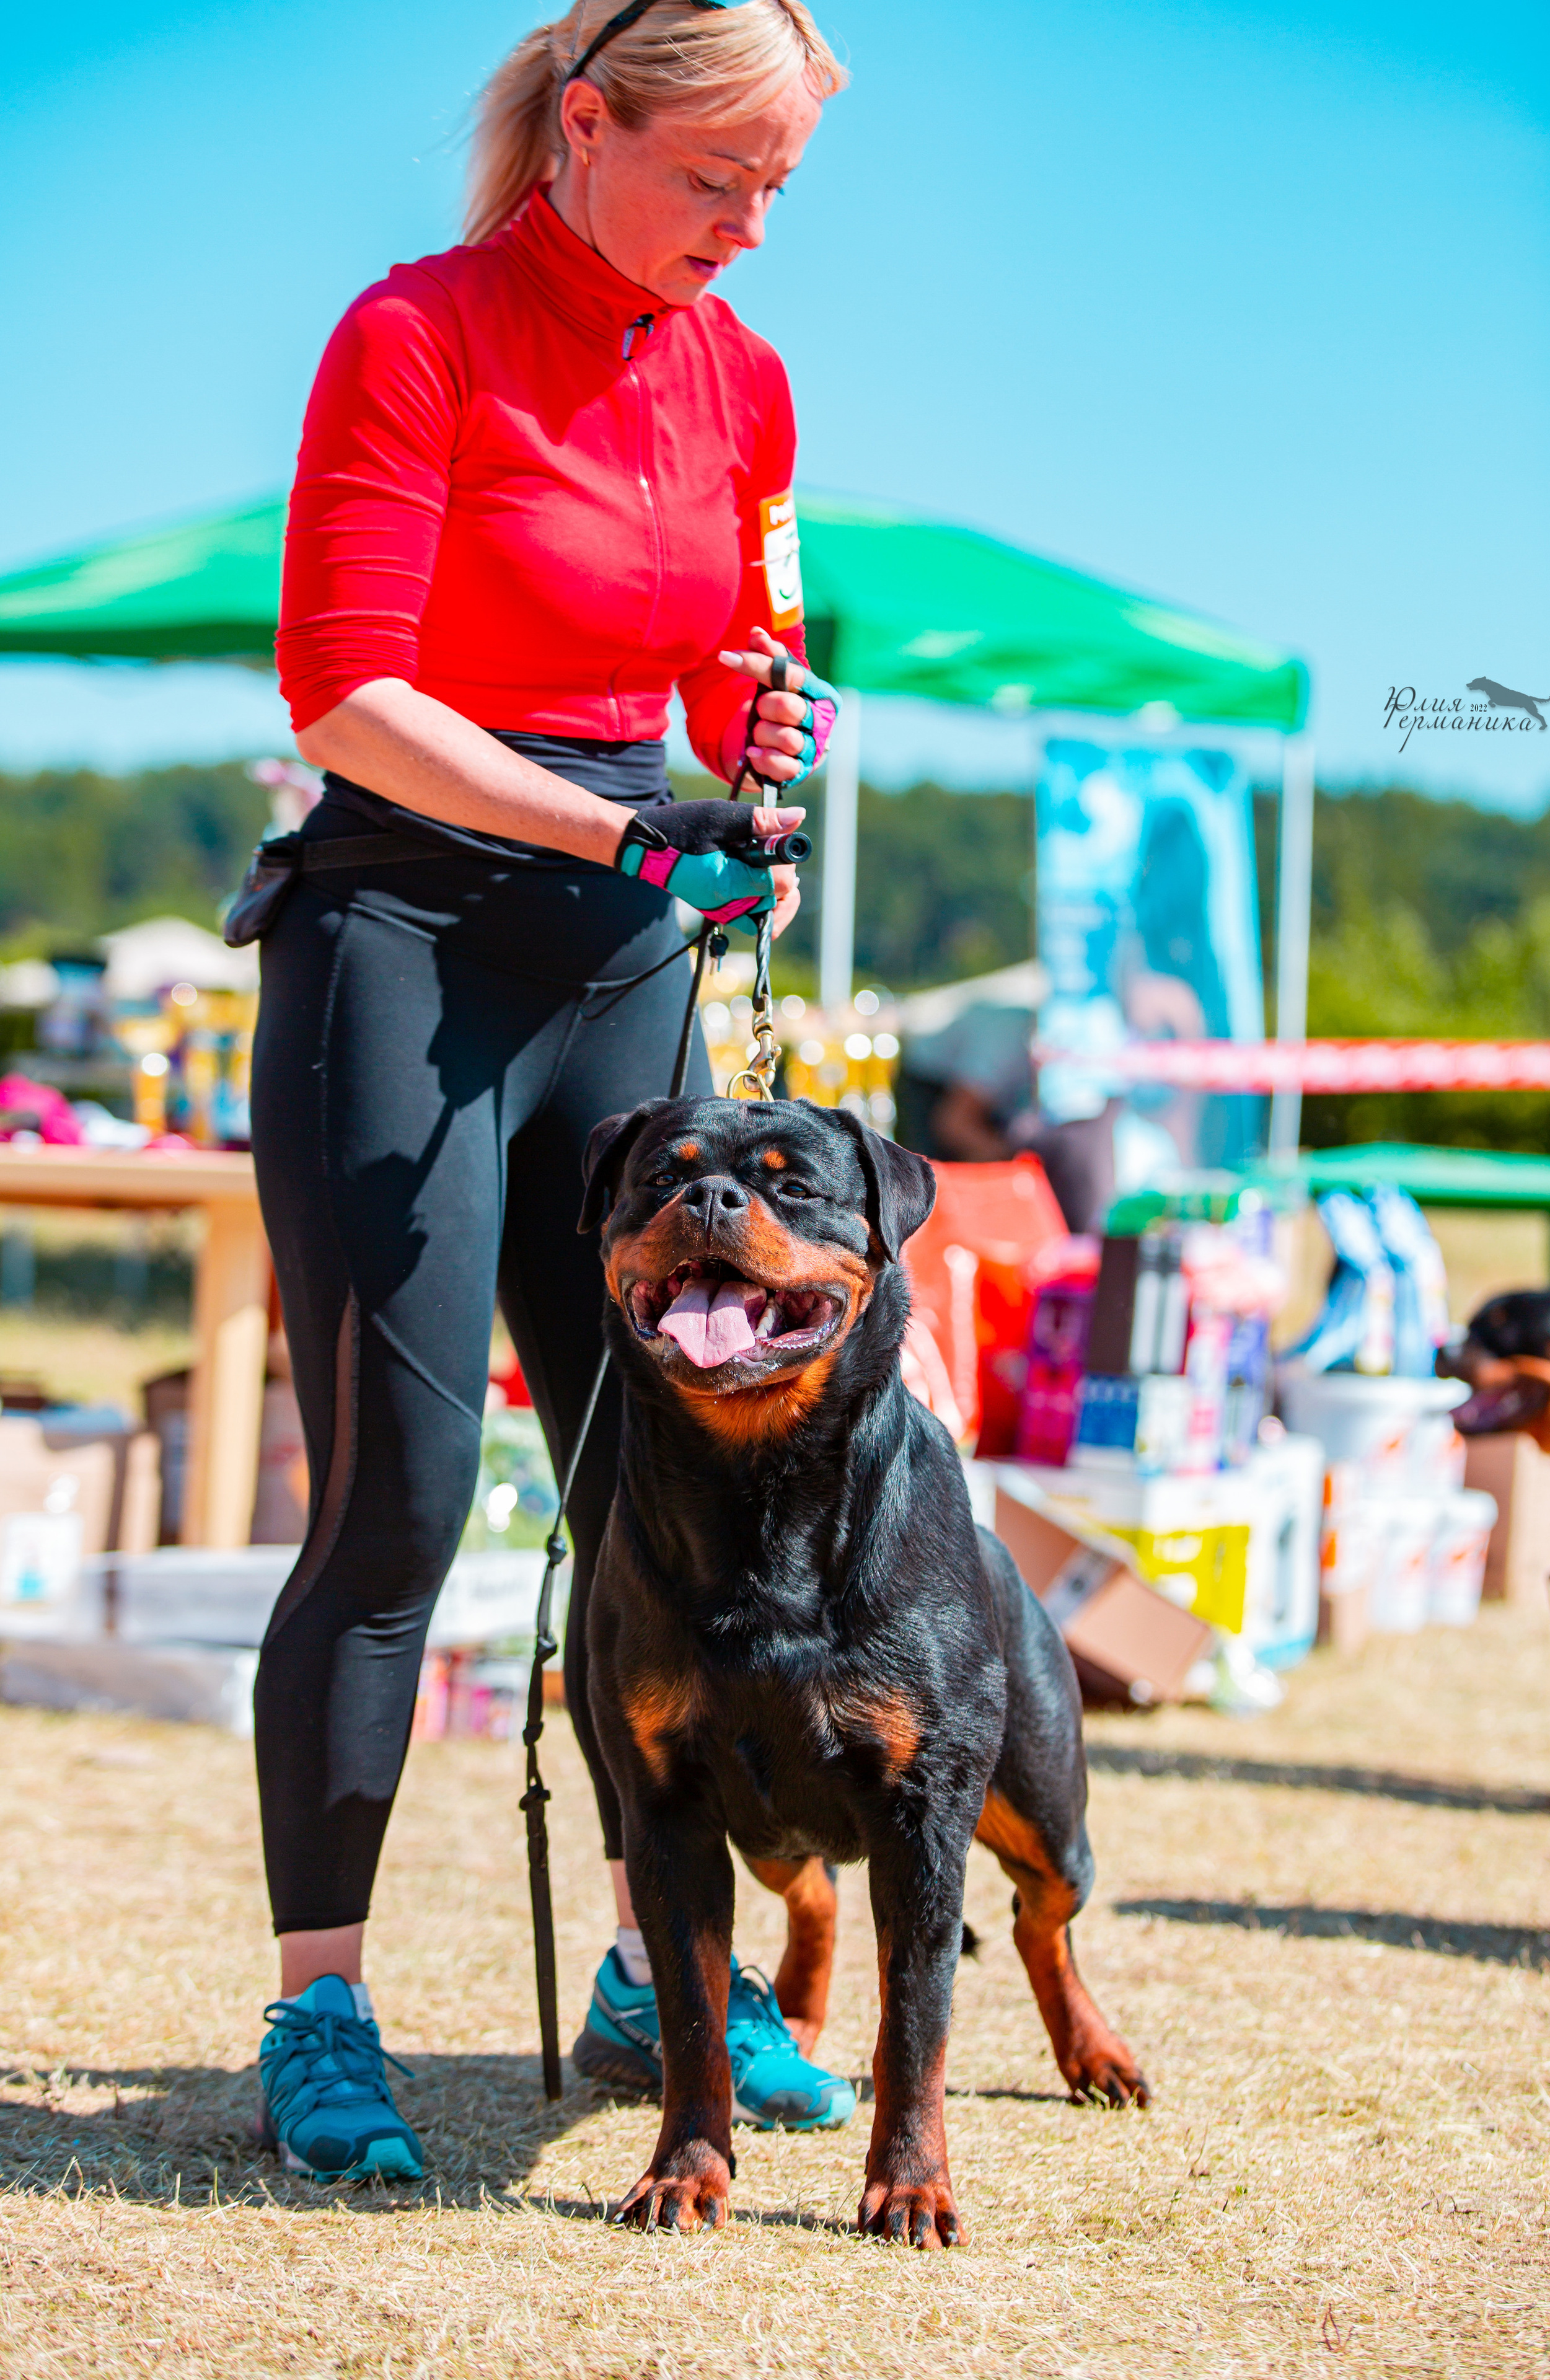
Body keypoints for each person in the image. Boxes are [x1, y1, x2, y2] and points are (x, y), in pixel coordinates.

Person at [250, 0, 852, 2184]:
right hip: (400, 950)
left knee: (656, 1504)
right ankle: (321, 2007)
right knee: (398, 1506)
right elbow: (347, 695)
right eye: (717, 178)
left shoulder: (743, 375)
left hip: (624, 960)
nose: (748, 227)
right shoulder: (413, 335)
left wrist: (759, 725)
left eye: (777, 188)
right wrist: (625, 828)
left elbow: (726, 651)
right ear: (587, 125)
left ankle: (647, 1982)